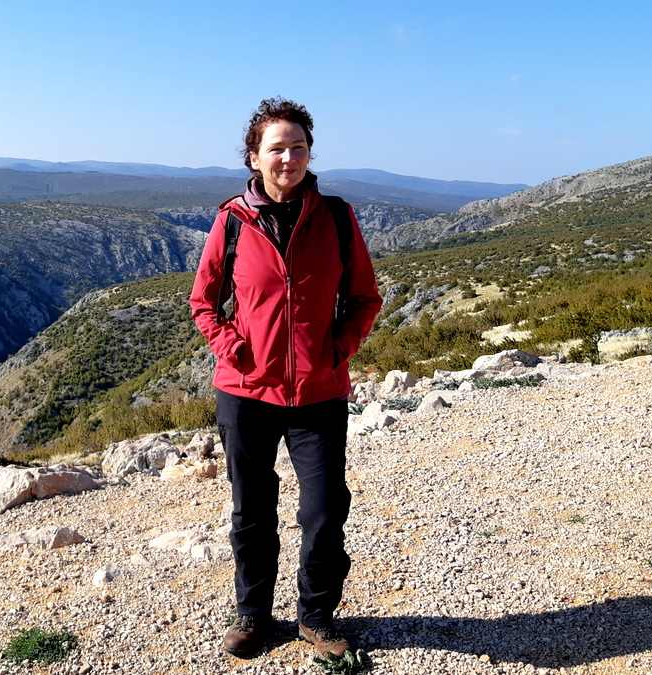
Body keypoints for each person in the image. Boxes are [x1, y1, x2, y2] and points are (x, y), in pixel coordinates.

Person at [189, 97, 382, 659]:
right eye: (277, 148)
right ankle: (253, 615)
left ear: (308, 154)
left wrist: (338, 350)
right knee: (252, 510)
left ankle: (316, 617)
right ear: (254, 157)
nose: (289, 158)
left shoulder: (337, 217)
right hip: (246, 393)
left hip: (318, 392)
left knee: (324, 510)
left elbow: (365, 297)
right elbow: (204, 302)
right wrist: (234, 349)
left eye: (298, 147)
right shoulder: (231, 220)